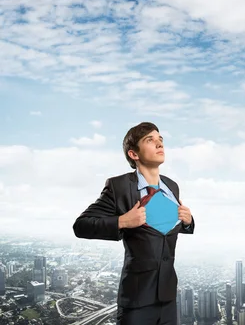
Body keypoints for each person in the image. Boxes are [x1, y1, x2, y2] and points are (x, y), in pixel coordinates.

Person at [73, 122, 194, 325]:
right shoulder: (119, 186)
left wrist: (188, 222)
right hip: (137, 300)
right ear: (134, 154)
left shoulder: (172, 186)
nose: (159, 144)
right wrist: (122, 221)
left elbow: (164, 225)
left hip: (168, 298)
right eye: (150, 140)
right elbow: (81, 225)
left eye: (160, 139)